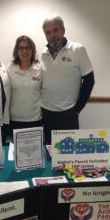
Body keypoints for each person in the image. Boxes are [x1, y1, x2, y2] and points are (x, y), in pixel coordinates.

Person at [41, 15, 95, 144]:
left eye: (55, 30)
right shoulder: (43, 54)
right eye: (48, 32)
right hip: (46, 113)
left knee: (68, 155)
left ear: (63, 30)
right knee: (49, 151)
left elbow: (89, 80)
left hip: (68, 113)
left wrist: (77, 109)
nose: (52, 35)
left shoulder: (78, 50)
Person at [7, 35, 42, 137]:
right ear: (16, 51)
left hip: (36, 119)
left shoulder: (40, 68)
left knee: (35, 151)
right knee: (17, 151)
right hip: (15, 119)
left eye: (28, 48)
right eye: (21, 48)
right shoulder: (9, 69)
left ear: (32, 50)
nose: (25, 51)